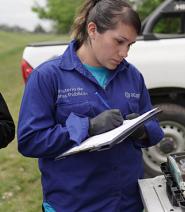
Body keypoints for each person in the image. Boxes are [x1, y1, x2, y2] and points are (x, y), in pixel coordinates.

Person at [17, 0, 164, 211]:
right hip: (75, 204)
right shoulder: (47, 76)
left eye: (130, 44)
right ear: (92, 30)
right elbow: (30, 141)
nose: (125, 53)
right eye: (119, 41)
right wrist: (88, 127)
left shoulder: (132, 75)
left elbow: (155, 129)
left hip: (128, 203)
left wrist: (140, 131)